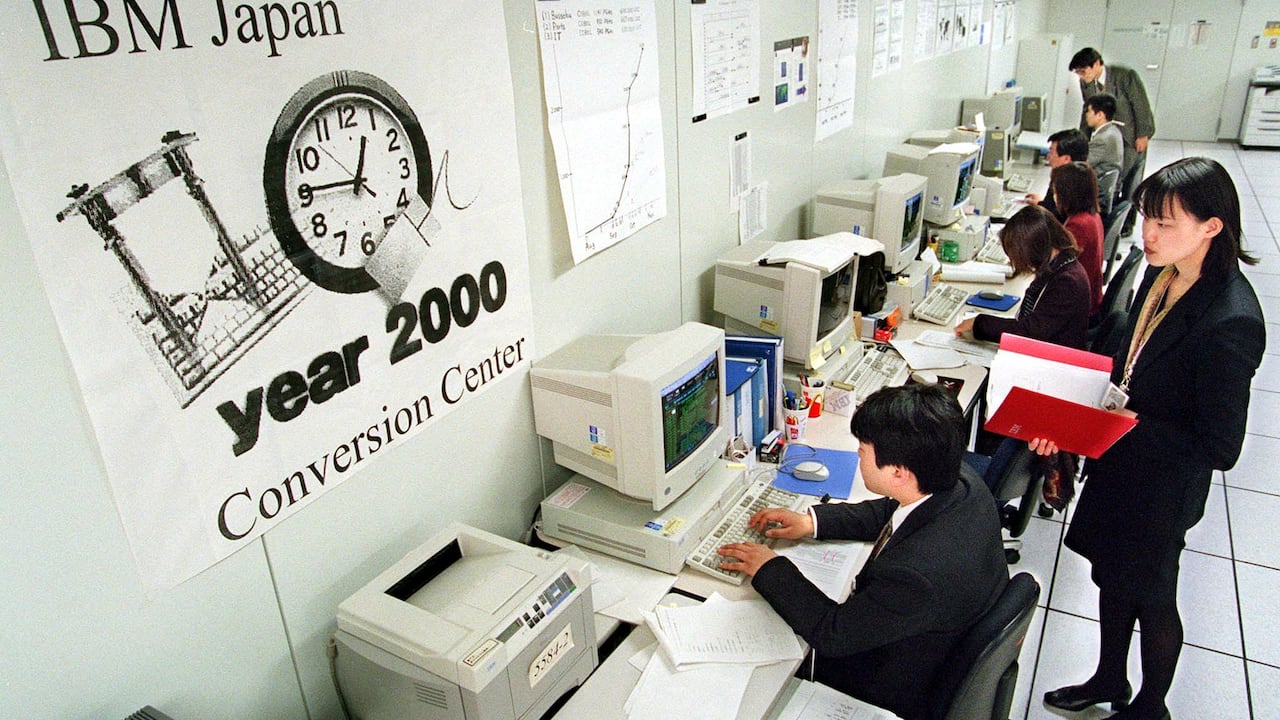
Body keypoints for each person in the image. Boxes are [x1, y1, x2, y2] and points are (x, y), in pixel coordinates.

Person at [1038, 157, 1265, 720]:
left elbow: (1220, 447)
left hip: (1162, 488)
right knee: (1111, 578)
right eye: (1146, 219)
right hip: (1122, 465)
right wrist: (1073, 413)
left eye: (1165, 223)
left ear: (1212, 226)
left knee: (1153, 595)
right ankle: (1110, 677)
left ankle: (1151, 706)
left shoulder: (1230, 319)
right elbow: (1129, 365)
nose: (1149, 234)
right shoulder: (1164, 275)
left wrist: (1116, 427)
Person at [716, 383, 1008, 720]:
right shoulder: (959, 482)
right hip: (937, 638)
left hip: (890, 679)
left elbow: (832, 634)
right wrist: (812, 522)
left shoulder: (914, 576)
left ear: (899, 471)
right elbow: (891, 510)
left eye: (863, 449)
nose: (857, 455)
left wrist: (770, 568)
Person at [953, 204, 1091, 350]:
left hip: (1054, 360)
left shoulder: (1067, 282)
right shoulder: (1059, 264)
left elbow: (1030, 331)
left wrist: (979, 324)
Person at [1070, 47, 1155, 235]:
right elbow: (1089, 111)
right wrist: (1080, 141)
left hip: (1131, 135)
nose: (1082, 77)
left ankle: (1127, 223)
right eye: (1078, 74)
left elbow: (1141, 106)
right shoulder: (1087, 83)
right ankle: (1112, 221)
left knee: (1131, 180)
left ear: (1097, 64)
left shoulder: (1125, 76)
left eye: (1084, 72)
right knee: (1114, 178)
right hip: (1110, 135)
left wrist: (1143, 134)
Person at [1051, 161, 1105, 320]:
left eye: (1055, 191)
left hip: (1077, 308)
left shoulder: (1078, 225)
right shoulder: (1092, 216)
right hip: (1088, 298)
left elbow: (1053, 265)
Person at [1025, 128, 1089, 219]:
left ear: (1066, 159)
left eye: (1051, 151)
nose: (1048, 156)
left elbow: (1054, 218)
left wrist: (1040, 206)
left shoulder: (1067, 184)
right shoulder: (1082, 177)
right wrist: (1042, 203)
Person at [1083, 93, 1124, 210]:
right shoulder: (1113, 131)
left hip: (1098, 193)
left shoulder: (1103, 138)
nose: (1086, 115)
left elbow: (1083, 165)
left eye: (1089, 111)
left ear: (1100, 115)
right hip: (1109, 189)